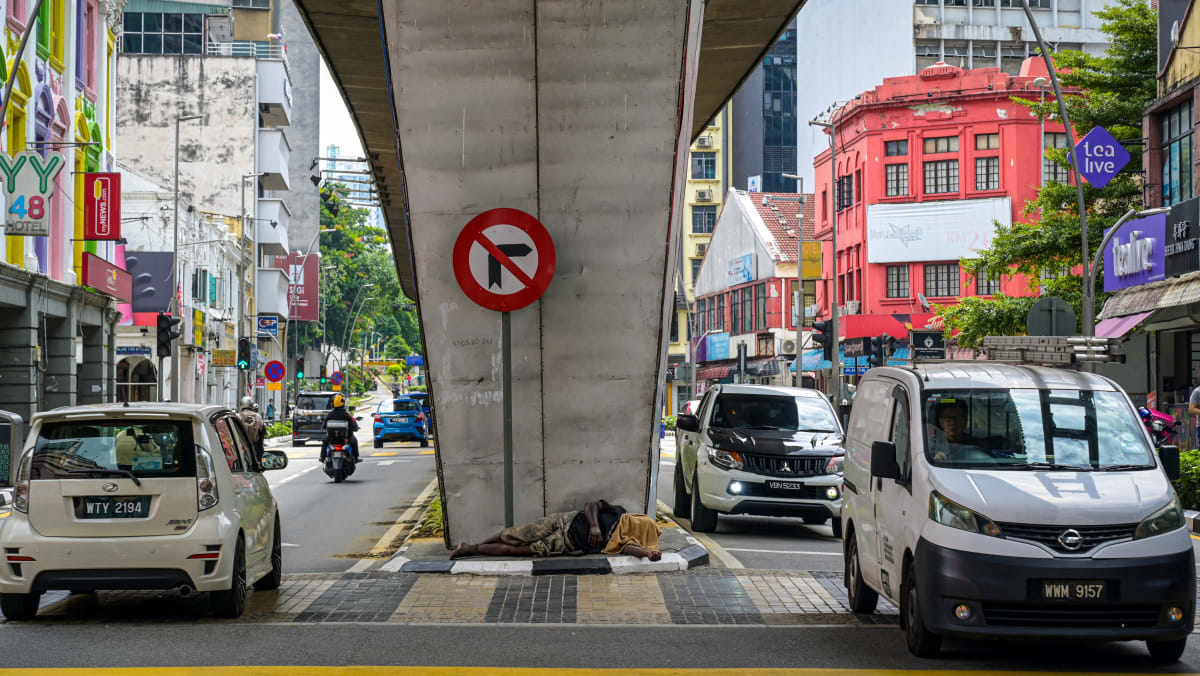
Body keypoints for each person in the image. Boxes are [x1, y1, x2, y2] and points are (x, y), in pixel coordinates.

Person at [449, 499, 663, 561]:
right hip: (564, 521)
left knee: (517, 551)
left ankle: (471, 549)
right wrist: (595, 526)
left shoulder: (624, 542)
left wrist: (649, 554)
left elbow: (632, 550)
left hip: (564, 544)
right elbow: (591, 505)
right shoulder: (618, 512)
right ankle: (472, 546)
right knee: (515, 534)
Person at [322, 393, 360, 462]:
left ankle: (322, 457)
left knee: (324, 442)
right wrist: (348, 437)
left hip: (332, 438)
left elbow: (324, 426)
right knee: (354, 442)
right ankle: (356, 458)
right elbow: (352, 427)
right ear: (343, 404)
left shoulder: (330, 415)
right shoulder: (347, 415)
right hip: (346, 438)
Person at [238, 396, 266, 463]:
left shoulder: (238, 416)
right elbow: (262, 429)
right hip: (254, 446)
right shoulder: (257, 416)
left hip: (240, 447)